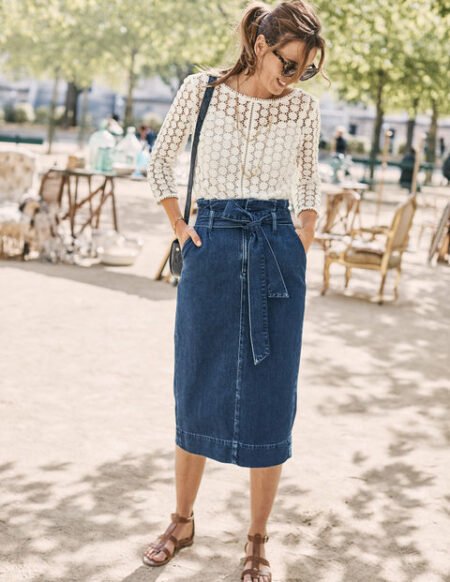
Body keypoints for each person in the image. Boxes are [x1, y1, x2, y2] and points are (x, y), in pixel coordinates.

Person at [145, 1, 327, 580]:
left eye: (306, 71)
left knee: (272, 395)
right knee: (196, 378)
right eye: (291, 65)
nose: (294, 79)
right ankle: (181, 521)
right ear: (261, 44)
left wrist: (303, 238)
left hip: (277, 246)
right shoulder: (200, 90)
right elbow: (160, 162)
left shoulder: (303, 110)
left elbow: (307, 181)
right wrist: (179, 224)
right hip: (213, 241)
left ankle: (256, 539)